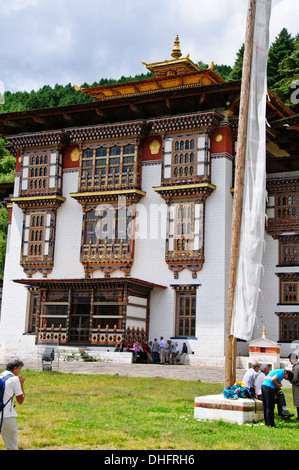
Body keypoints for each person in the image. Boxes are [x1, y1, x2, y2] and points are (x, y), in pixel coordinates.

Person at [0, 359, 25, 450]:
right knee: (11, 447)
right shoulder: (14, 379)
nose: (19, 371)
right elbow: (20, 400)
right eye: (19, 369)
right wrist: (21, 384)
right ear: (15, 368)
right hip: (7, 416)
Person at [288, 353, 299, 421]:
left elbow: (294, 378)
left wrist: (288, 378)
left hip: (297, 387)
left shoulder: (296, 367)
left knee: (298, 402)